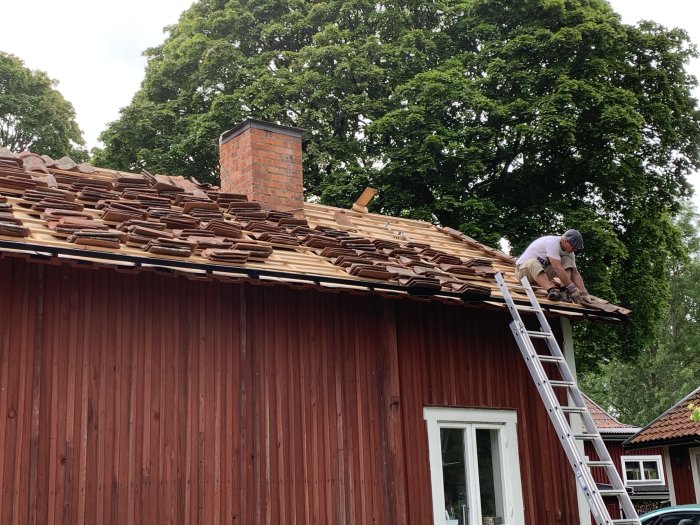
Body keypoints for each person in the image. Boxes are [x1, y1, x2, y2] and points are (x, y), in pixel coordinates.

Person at [515, 229, 589, 303]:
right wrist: (572, 288)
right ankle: (551, 291)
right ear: (565, 241)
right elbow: (557, 268)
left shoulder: (569, 253)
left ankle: (564, 291)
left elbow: (575, 273)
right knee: (533, 261)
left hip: (541, 275)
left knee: (567, 260)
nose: (574, 250)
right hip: (524, 273)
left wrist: (584, 292)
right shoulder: (552, 242)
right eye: (573, 247)